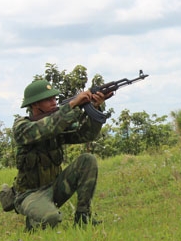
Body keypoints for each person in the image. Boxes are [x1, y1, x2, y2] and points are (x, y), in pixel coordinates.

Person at [9, 79, 110, 231]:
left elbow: (85, 135)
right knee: (51, 218)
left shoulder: (58, 122)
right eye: (48, 99)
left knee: (87, 160)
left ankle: (83, 217)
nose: (54, 102)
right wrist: (72, 105)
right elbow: (46, 129)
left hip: (54, 187)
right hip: (29, 194)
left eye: (54, 98)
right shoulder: (22, 127)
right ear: (35, 104)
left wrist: (95, 106)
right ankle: (34, 222)